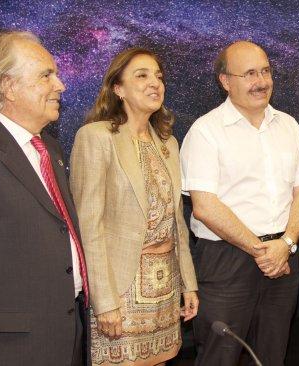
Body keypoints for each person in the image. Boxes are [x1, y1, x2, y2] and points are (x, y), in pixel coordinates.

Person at [180, 40, 299, 366]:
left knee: (271, 355)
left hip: (284, 257)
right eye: (250, 73)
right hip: (227, 262)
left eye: (266, 71)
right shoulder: (205, 131)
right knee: (219, 356)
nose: (262, 81)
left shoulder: (289, 126)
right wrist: (261, 251)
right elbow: (205, 206)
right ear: (225, 81)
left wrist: (286, 243)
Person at [69, 47, 198, 366]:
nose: (155, 82)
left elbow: (177, 222)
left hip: (165, 288)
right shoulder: (95, 138)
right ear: (118, 88)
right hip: (120, 292)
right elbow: (90, 227)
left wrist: (189, 285)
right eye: (141, 75)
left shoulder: (168, 143)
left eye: (158, 76)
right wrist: (103, 301)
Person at [0, 31, 88, 365]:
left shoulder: (49, 148)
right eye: (46, 75)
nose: (60, 85)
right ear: (8, 86)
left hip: (63, 333)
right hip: (4, 346)